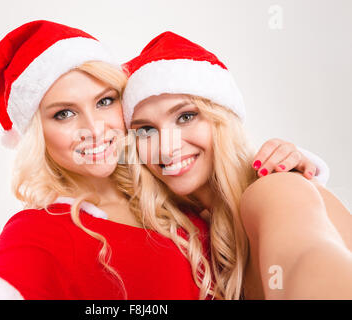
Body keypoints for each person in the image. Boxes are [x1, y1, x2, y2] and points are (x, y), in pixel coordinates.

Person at [0, 20, 328, 300]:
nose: (94, 128)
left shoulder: (169, 193)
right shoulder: (40, 231)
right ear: (37, 137)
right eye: (63, 113)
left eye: (104, 101)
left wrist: (289, 169)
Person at [122, 31, 352, 299]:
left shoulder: (273, 189)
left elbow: (306, 259)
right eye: (146, 130)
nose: (166, 148)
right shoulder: (197, 225)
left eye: (186, 116)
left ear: (223, 119)